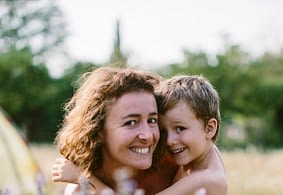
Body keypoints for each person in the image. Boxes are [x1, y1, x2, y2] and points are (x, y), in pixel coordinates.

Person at [53, 73, 228, 195]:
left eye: (180, 128)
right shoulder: (203, 154)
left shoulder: (206, 179)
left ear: (210, 128)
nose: (169, 141)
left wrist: (84, 178)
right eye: (163, 130)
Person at [52, 66, 177, 195]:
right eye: (131, 122)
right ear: (98, 130)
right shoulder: (78, 189)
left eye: (152, 120)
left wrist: (88, 179)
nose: (148, 136)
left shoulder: (174, 168)